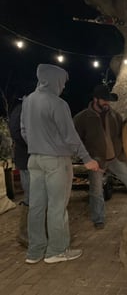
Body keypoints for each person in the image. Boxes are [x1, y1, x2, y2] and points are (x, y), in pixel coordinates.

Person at [20, 63, 99, 264]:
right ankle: (57, 250)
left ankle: (35, 252)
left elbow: (23, 131)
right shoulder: (58, 104)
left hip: (34, 159)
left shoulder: (28, 101)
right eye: (62, 82)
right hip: (56, 161)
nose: (63, 87)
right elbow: (70, 136)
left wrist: (38, 144)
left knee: (36, 207)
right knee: (57, 207)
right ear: (55, 80)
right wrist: (87, 159)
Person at [73, 85, 127, 229]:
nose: (107, 103)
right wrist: (87, 157)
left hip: (114, 158)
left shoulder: (115, 115)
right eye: (104, 100)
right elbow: (76, 140)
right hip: (96, 160)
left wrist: (121, 153)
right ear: (95, 99)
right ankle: (98, 218)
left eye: (108, 100)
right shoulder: (83, 118)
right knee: (96, 190)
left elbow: (119, 136)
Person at [8, 84, 35, 246]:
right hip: (25, 160)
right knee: (31, 196)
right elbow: (16, 133)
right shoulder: (20, 110)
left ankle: (32, 231)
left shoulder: (28, 109)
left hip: (31, 158)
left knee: (34, 196)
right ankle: (24, 234)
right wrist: (34, 144)